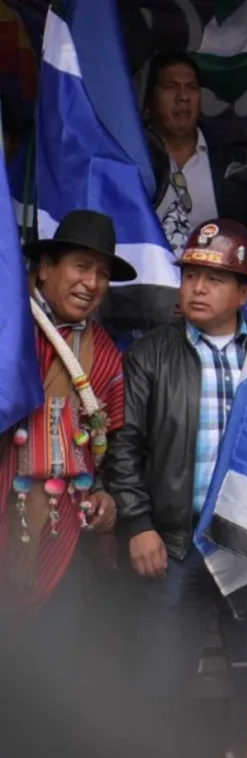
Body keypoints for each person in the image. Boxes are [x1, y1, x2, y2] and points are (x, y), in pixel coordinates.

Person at [103, 218, 247, 758]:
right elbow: (123, 446)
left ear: (245, 294)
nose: (197, 289)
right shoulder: (152, 354)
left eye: (214, 279)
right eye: (191, 276)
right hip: (174, 547)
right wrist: (138, 524)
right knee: (159, 686)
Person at [0, 210, 132, 658]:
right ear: (45, 269)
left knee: (53, 664)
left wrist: (107, 495)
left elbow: (112, 442)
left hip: (64, 533)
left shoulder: (107, 356)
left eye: (102, 274)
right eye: (80, 266)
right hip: (4, 511)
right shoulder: (9, 334)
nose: (91, 283)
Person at [142, 51, 247, 258]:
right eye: (170, 87)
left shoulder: (232, 162)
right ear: (148, 104)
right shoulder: (133, 158)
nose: (183, 97)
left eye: (192, 88)